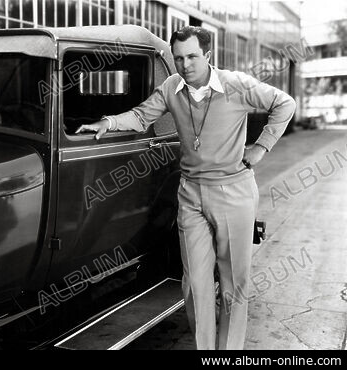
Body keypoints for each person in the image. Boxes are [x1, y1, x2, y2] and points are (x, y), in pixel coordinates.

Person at [76, 26, 296, 350]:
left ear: (207, 55)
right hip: (191, 193)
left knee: (234, 285)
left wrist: (260, 147)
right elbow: (141, 115)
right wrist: (108, 122)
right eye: (178, 58)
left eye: (192, 56)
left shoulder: (236, 85)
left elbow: (284, 103)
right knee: (194, 283)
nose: (185, 65)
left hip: (233, 192)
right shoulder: (170, 87)